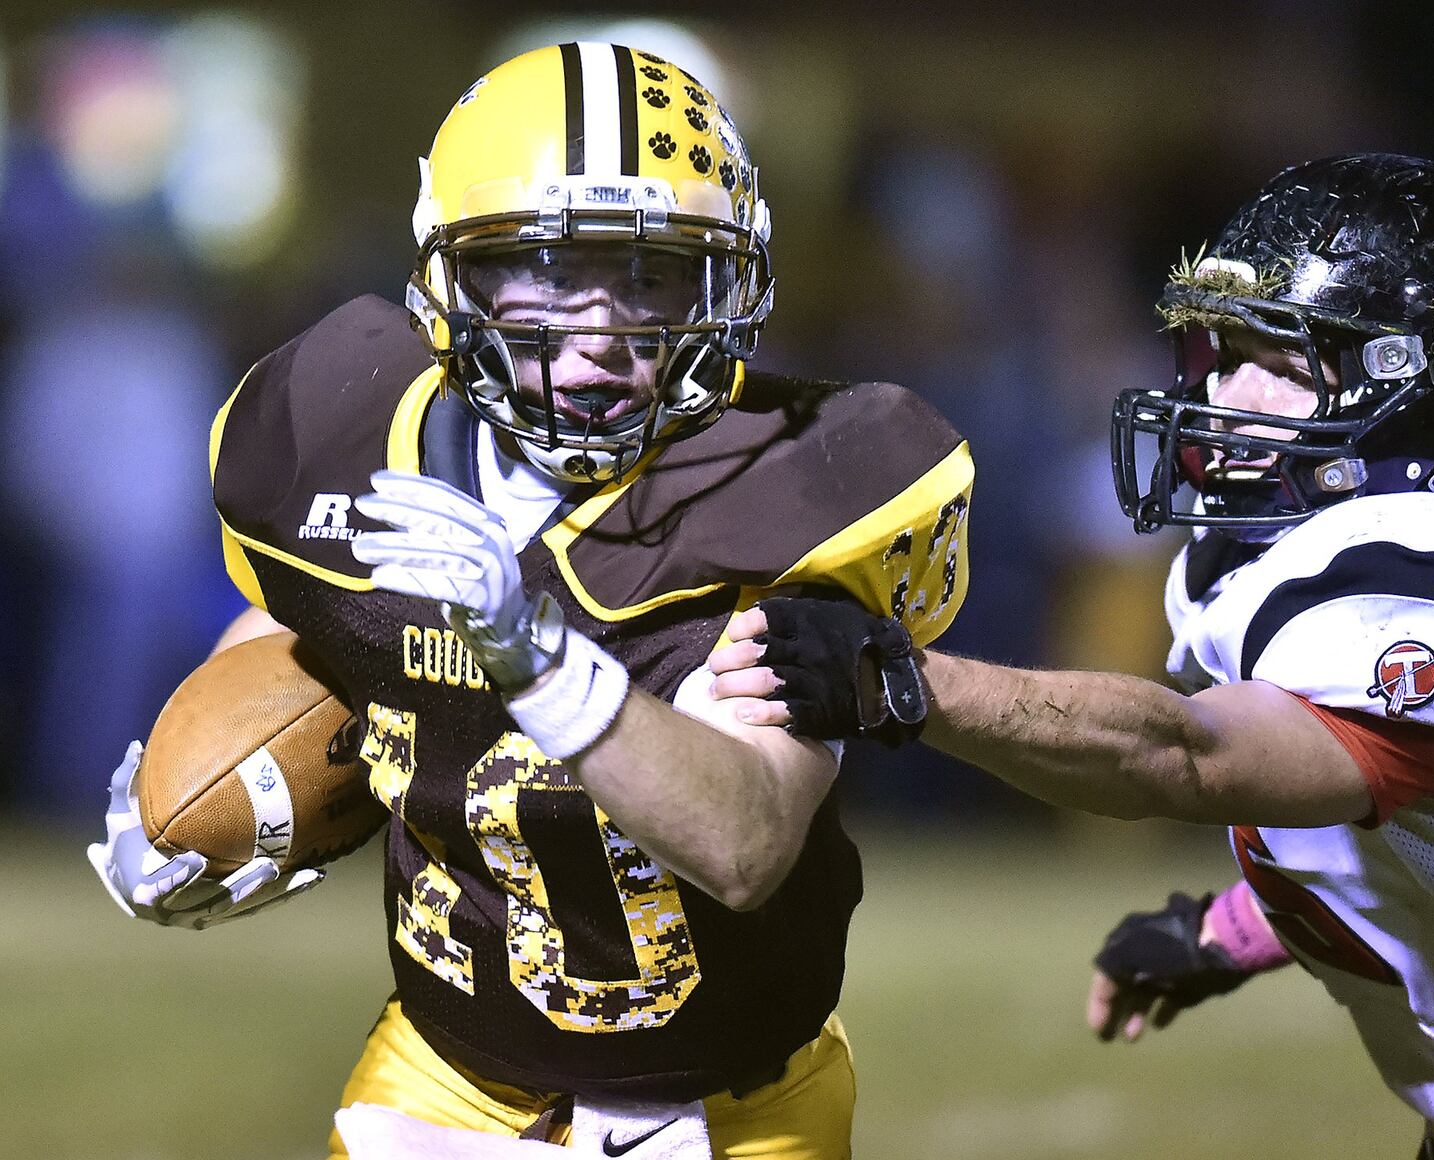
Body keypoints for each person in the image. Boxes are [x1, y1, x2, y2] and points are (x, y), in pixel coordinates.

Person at [86, 43, 973, 1159]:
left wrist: (536, 652)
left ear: (722, 285)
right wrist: (209, 792)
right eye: (550, 271)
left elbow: (744, 839)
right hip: (442, 1080)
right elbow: (300, 619)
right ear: (456, 279)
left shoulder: (800, 486)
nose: (601, 329)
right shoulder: (339, 422)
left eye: (649, 274)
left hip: (734, 1110)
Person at [708, 154, 1434, 1159]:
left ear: (1424, 392)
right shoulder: (1301, 547)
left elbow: (1194, 754)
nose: (1222, 387)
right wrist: (1234, 928)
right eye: (1221, 349)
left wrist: (903, 680)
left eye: (1282, 360)